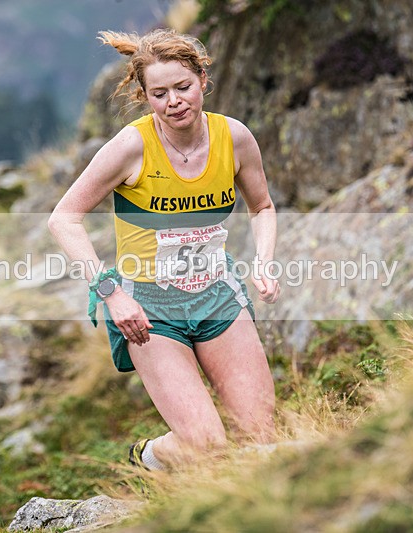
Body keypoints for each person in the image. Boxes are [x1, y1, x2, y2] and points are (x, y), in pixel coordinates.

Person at [48, 28, 280, 470]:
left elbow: (263, 206)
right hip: (148, 310)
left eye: (182, 87)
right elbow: (63, 218)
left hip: (218, 298)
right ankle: (150, 457)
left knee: (260, 439)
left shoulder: (234, 138)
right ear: (144, 95)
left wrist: (263, 263)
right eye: (159, 93)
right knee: (207, 445)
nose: (174, 101)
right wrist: (111, 294)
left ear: (203, 82)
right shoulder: (131, 146)